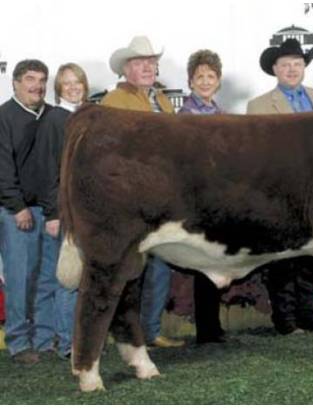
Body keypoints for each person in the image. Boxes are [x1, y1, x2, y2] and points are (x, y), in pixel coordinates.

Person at [102, 36, 183, 347]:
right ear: (125, 69)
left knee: (159, 267)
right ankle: (124, 333)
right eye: (139, 63)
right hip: (130, 200)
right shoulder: (114, 101)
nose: (148, 67)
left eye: (151, 62)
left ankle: (151, 331)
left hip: (161, 199)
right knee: (128, 270)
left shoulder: (162, 100)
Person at [246, 38, 313, 334]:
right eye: (285, 65)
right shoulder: (258, 106)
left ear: (304, 67)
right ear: (275, 69)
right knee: (282, 255)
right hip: (278, 191)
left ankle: (309, 314)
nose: (292, 69)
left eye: (297, 64)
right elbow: (255, 153)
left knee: (312, 253)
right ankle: (286, 319)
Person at [32, 63, 89, 359]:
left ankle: (77, 337)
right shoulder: (55, 119)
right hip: (65, 211)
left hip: (86, 210)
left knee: (81, 276)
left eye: (77, 81)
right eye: (67, 83)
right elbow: (47, 170)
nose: (73, 87)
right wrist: (52, 213)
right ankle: (67, 342)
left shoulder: (87, 116)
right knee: (67, 278)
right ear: (58, 89)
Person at [0, 59, 51, 364]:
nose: (38, 86)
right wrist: (17, 207)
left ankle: (44, 339)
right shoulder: (3, 117)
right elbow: (2, 168)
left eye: (42, 80)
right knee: (19, 279)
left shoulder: (50, 116)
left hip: (47, 211)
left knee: (46, 278)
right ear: (16, 83)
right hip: (16, 212)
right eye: (30, 79)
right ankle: (18, 342)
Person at [177, 49, 226, 344]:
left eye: (211, 76)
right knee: (204, 261)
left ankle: (213, 326)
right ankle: (206, 329)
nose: (205, 81)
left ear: (218, 81)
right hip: (197, 197)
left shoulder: (221, 114)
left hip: (219, 196)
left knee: (216, 259)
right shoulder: (184, 116)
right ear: (190, 81)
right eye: (200, 77)